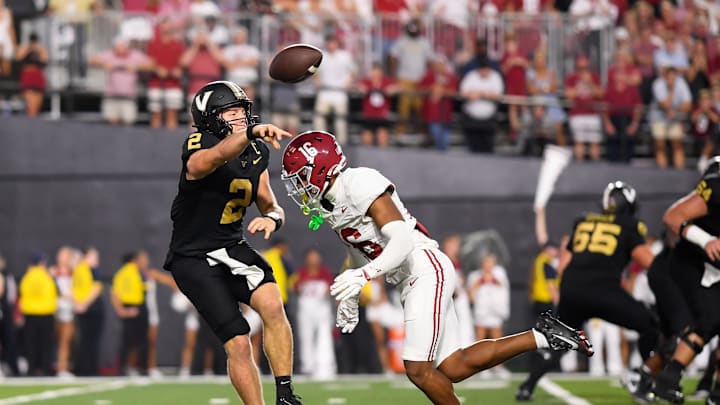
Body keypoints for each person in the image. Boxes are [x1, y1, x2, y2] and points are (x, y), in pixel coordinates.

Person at [280, 130, 593, 405]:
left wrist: (363, 275)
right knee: (453, 366)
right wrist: (352, 293)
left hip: (424, 267)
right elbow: (359, 252)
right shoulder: (329, 206)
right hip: (411, 278)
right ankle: (542, 335)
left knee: (418, 369)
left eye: (300, 176)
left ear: (320, 167)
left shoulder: (359, 181)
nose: (299, 186)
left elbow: (401, 239)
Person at [162, 80, 302, 405]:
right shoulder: (200, 143)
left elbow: (270, 202)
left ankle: (285, 394)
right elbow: (209, 160)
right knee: (238, 341)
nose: (240, 117)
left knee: (272, 304)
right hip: (192, 257)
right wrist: (249, 134)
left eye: (242, 111)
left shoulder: (256, 152)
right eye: (231, 111)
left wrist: (273, 218)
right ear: (210, 117)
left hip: (231, 246)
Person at [516, 181, 662, 403]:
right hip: (604, 290)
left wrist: (563, 293)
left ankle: (527, 387)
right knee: (650, 326)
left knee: (563, 341)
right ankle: (643, 382)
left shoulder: (584, 221)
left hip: (573, 290)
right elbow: (649, 261)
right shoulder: (629, 225)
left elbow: (565, 262)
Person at [652, 156, 720, 403]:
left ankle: (670, 381)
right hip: (693, 264)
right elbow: (673, 216)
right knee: (710, 321)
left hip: (709, 267)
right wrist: (707, 240)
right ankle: (666, 379)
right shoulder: (716, 186)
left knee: (711, 323)